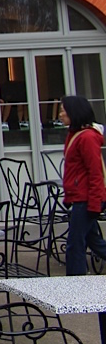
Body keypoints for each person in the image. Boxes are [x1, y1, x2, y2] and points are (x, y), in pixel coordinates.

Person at [59, 94, 106, 274]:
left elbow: (95, 173)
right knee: (95, 243)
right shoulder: (75, 135)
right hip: (81, 197)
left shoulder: (86, 138)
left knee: (75, 245)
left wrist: (94, 204)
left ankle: (75, 287)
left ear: (74, 112)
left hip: (87, 199)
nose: (61, 114)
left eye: (64, 110)